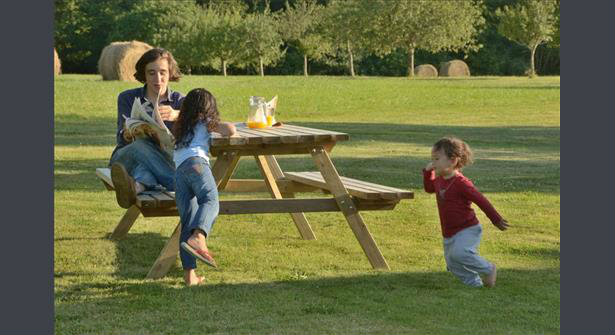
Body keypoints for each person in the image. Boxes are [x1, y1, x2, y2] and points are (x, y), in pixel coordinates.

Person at [423, 136, 510, 288]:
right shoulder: (440, 179)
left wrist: (495, 219)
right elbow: (429, 188)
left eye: (436, 159)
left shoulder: (462, 183)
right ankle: (474, 284)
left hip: (467, 229)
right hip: (449, 232)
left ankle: (488, 269)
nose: (433, 162)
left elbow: (481, 200)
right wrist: (427, 172)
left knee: (460, 254)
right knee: (452, 263)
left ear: (453, 160)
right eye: (432, 159)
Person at [171, 88, 236, 286]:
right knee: (210, 198)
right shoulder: (205, 121)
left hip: (179, 171)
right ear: (207, 109)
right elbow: (230, 130)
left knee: (187, 220)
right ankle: (199, 236)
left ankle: (190, 277)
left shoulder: (182, 126)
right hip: (197, 164)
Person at [109, 48, 184, 208]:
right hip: (125, 158)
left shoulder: (180, 101)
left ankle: (137, 187)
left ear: (170, 73)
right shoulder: (127, 98)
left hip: (163, 160)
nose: (158, 79)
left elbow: (206, 121)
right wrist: (129, 133)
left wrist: (178, 114)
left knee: (144, 168)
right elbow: (121, 137)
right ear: (144, 74)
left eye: (163, 72)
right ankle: (178, 184)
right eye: (151, 73)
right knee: (140, 145)